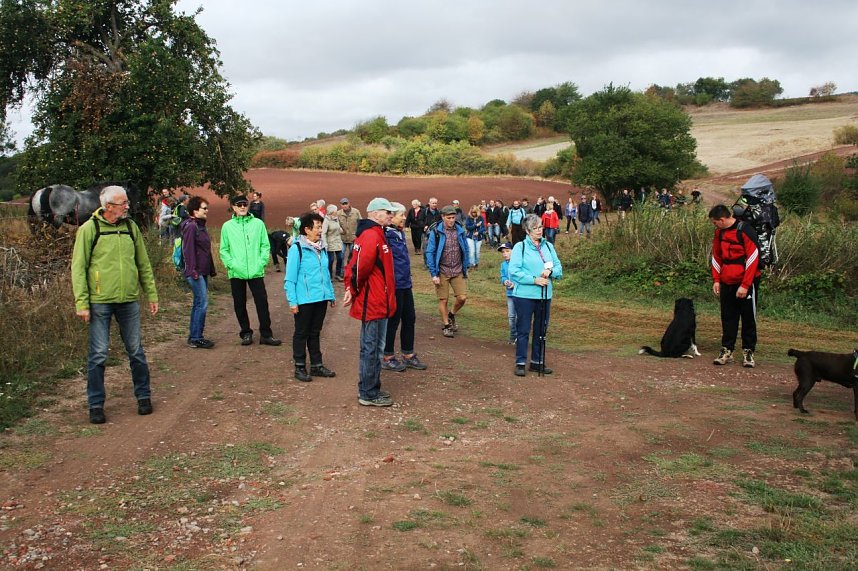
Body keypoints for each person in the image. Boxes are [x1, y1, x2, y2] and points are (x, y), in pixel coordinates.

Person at [71, 185, 158, 424]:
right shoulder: (90, 229)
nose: (127, 206)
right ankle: (96, 404)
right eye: (123, 203)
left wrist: (151, 294)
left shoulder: (131, 228)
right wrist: (82, 303)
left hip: (129, 300)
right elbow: (78, 268)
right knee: (98, 355)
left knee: (136, 352)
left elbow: (143, 263)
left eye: (127, 202)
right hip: (100, 302)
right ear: (108, 206)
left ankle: (143, 397)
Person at [343, 198, 397, 407]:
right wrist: (352, 289)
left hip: (379, 301)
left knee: (376, 347)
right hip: (372, 302)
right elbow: (358, 269)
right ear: (374, 213)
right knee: (371, 348)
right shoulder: (370, 235)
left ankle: (372, 388)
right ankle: (367, 392)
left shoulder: (378, 234)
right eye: (387, 211)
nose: (391, 215)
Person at [220, 194, 282, 346]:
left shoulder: (258, 224)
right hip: (236, 272)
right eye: (239, 204)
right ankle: (246, 332)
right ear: (233, 207)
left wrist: (260, 264)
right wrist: (232, 265)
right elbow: (224, 250)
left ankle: (266, 334)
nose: (242, 207)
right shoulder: (227, 227)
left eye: (244, 204)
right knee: (239, 304)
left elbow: (265, 245)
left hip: (255, 270)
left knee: (262, 303)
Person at [285, 211, 337, 382]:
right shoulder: (297, 249)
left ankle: (316, 365)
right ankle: (299, 366)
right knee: (301, 332)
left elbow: (325, 274)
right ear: (306, 229)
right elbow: (290, 279)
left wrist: (330, 295)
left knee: (315, 332)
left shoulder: (321, 248)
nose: (320, 230)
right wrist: (292, 301)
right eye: (317, 227)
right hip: (304, 299)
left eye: (321, 226)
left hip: (320, 298)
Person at [509, 214, 563, 376]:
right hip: (524, 295)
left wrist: (551, 271)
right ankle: (520, 362)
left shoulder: (548, 246)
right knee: (523, 329)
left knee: (541, 330)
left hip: (544, 295)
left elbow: (559, 269)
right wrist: (534, 280)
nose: (539, 231)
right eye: (535, 228)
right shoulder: (520, 247)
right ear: (527, 231)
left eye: (540, 227)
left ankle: (537, 362)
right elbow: (514, 271)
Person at [709, 204, 761, 368]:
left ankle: (748, 351)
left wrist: (745, 285)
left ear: (722, 219)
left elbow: (753, 258)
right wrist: (716, 279)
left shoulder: (746, 231)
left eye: (715, 222)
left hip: (746, 281)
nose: (714, 225)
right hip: (726, 280)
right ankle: (727, 350)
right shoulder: (719, 232)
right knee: (728, 316)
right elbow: (716, 255)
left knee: (748, 317)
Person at [381, 202, 428, 372]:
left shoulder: (399, 233)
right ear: (391, 216)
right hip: (394, 285)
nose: (404, 217)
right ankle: (387, 356)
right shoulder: (385, 234)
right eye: (401, 215)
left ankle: (408, 355)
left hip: (405, 283)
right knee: (393, 321)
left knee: (409, 318)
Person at [425, 204, 470, 338]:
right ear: (443, 217)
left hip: (457, 270)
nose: (451, 220)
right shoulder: (436, 232)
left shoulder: (460, 230)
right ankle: (446, 325)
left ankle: (451, 314)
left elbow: (465, 249)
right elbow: (430, 252)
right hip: (442, 271)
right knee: (443, 299)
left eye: (453, 217)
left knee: (462, 298)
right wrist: (434, 274)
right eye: (448, 218)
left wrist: (465, 266)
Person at [181, 196, 217, 349]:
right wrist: (192, 271)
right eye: (204, 208)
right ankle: (196, 337)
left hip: (202, 271)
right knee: (202, 303)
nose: (207, 211)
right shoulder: (191, 227)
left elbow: (205, 251)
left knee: (199, 303)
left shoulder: (200, 225)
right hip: (195, 272)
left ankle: (195, 336)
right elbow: (188, 250)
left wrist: (211, 269)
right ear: (195, 211)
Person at [498, 242, 517, 344]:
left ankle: (519, 337)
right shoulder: (503, 265)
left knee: (519, 317)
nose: (505, 254)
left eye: (507, 251)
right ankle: (513, 336)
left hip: (520, 294)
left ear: (513, 251)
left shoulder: (518, 263)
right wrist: (505, 281)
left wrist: (515, 284)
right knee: (511, 316)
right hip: (510, 294)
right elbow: (503, 276)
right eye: (503, 252)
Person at [321, 204, 344, 281]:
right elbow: (323, 233)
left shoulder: (336, 219)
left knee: (340, 258)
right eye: (335, 210)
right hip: (330, 243)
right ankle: (329, 275)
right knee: (330, 260)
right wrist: (324, 243)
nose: (336, 212)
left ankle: (338, 274)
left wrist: (341, 230)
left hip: (337, 241)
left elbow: (338, 227)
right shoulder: (326, 220)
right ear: (332, 212)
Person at [338, 197, 361, 264]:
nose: (344, 205)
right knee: (341, 256)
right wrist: (340, 230)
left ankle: (350, 270)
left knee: (353, 255)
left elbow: (360, 222)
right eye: (343, 204)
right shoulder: (338, 214)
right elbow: (336, 224)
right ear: (341, 205)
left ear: (349, 204)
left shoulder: (356, 212)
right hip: (342, 238)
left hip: (353, 238)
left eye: (346, 203)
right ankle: (341, 272)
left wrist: (358, 234)